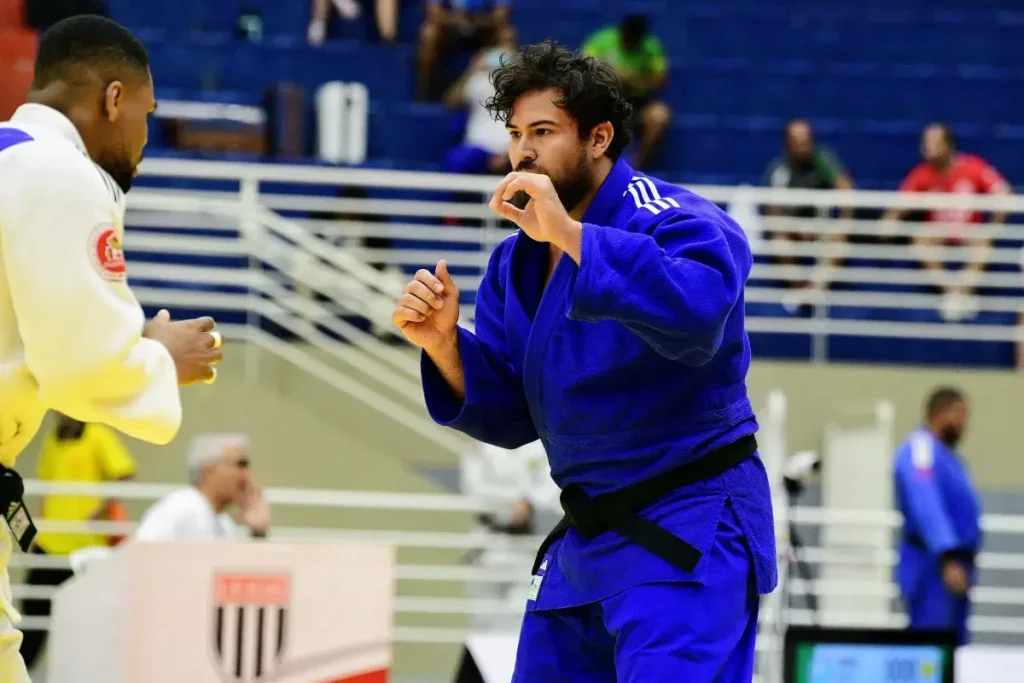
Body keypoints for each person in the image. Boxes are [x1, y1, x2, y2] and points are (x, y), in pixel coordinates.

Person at [392, 40, 776, 682]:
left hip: (689, 522)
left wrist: (569, 237)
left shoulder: (670, 216)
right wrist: (444, 344)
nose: (523, 152)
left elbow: (702, 309)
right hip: (589, 539)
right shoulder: (514, 264)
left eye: (543, 131)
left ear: (599, 137)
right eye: (516, 133)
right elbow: (515, 414)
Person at [0, 16, 222, 680]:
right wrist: (161, 355)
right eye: (146, 116)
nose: (145, 139)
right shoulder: (59, 171)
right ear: (112, 98)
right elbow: (77, 371)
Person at [20, 414, 137, 669]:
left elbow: (125, 472)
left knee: (86, 624)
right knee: (32, 621)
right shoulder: (53, 440)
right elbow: (46, 488)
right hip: (49, 545)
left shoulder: (97, 434)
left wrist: (101, 509)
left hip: (84, 549)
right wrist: (38, 528)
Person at [893, 387, 981, 647]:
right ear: (940, 413)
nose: (965, 424)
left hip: (953, 563)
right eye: (960, 414)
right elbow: (925, 503)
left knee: (953, 647)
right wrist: (947, 558)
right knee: (930, 644)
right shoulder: (921, 450)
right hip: (933, 564)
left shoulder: (947, 456)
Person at [883, 123, 1010, 301]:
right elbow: (900, 204)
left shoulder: (973, 166)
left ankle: (964, 290)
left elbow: (1002, 191)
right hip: (938, 232)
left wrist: (995, 226)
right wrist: (890, 221)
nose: (925, 147)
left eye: (932, 142)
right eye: (924, 142)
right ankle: (951, 290)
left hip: (969, 230)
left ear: (948, 145)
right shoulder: (921, 173)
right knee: (921, 238)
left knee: (983, 241)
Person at [762, 119, 853, 292]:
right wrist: (794, 229)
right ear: (788, 144)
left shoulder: (823, 160)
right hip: (791, 229)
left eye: (806, 139)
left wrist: (844, 223)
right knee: (779, 243)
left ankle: (814, 291)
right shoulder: (779, 169)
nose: (803, 145)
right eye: (797, 140)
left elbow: (845, 186)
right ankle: (798, 292)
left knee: (840, 243)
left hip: (820, 225)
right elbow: (772, 210)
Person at [133, 434, 270, 541]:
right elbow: (141, 558)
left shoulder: (224, 524)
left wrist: (258, 532)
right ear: (209, 469)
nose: (246, 475)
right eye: (241, 464)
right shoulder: (180, 508)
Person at [582, 14, 671, 170]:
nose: (629, 44)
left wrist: (632, 81)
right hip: (606, 99)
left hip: (637, 101)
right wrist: (612, 76)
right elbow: (583, 66)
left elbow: (660, 80)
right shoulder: (603, 40)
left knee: (659, 116)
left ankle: (636, 166)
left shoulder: (650, 48)